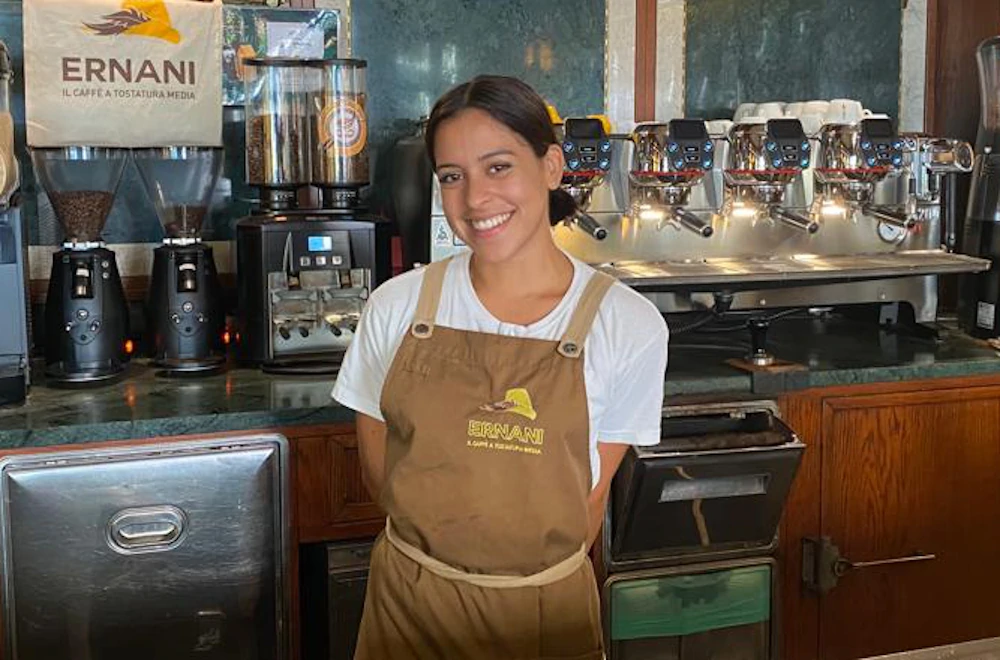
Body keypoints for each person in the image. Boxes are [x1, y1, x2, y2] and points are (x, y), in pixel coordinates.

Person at [332, 74, 669, 660]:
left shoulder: (628, 326)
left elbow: (588, 500)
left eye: (498, 167)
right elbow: (378, 466)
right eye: (452, 177)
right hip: (409, 609)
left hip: (546, 617)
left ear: (551, 166)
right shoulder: (397, 306)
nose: (474, 200)